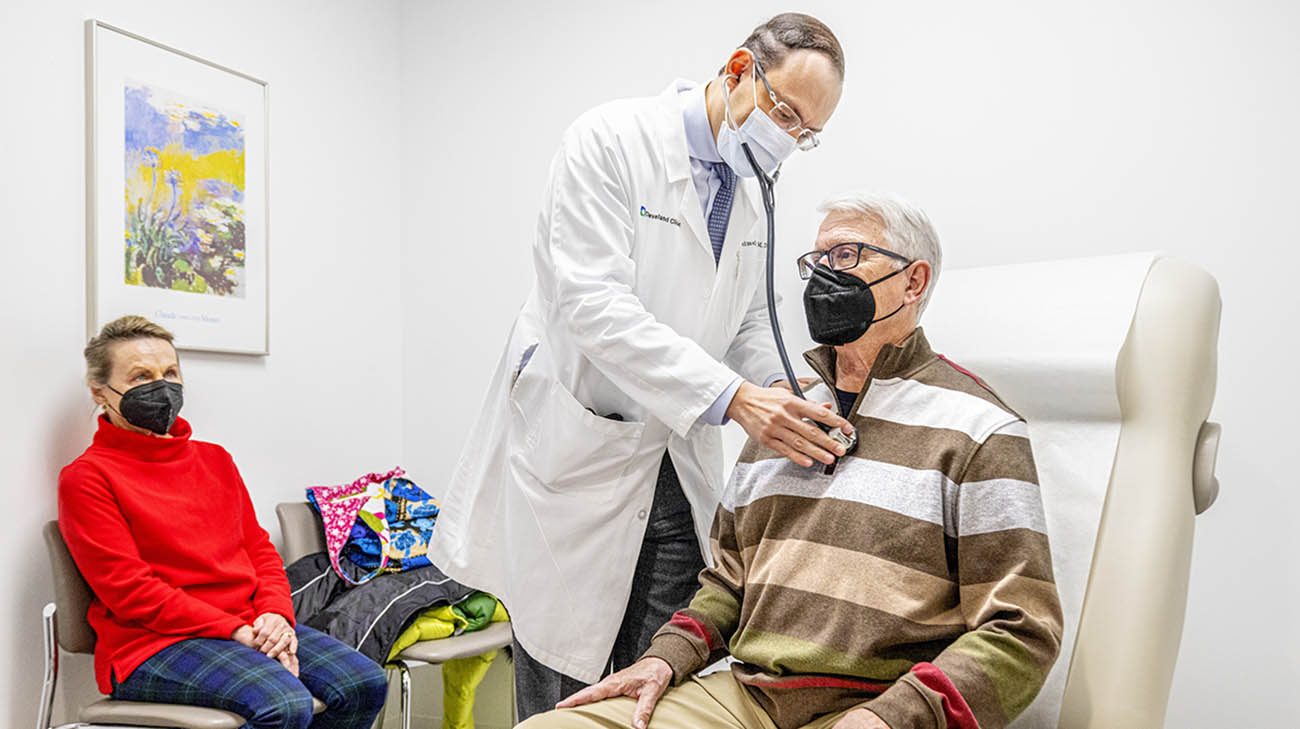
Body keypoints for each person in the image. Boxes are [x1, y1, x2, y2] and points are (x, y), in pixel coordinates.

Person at [428, 13, 851, 719]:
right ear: (739, 70)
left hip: (676, 457)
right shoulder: (610, 142)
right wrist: (736, 398)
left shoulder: (751, 192)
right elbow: (593, 303)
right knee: (567, 689)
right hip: (581, 454)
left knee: (662, 676)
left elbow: (746, 318)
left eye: (807, 132)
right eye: (785, 112)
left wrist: (786, 386)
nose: (789, 139)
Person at [520, 192, 1065, 729]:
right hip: (747, 696)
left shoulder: (978, 429)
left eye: (847, 256)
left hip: (879, 706)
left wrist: (894, 717)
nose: (825, 274)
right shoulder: (785, 416)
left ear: (914, 281)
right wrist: (664, 658)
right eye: (817, 261)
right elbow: (729, 582)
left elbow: (1020, 630)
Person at [58, 316, 388, 729]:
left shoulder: (214, 459)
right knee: (282, 704)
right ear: (100, 393)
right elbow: (131, 592)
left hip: (246, 625)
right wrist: (235, 631)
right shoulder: (88, 477)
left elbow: (259, 550)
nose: (161, 386)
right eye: (141, 376)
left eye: (170, 372)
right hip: (152, 645)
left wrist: (275, 616)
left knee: (364, 683)